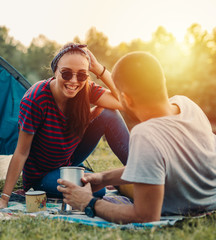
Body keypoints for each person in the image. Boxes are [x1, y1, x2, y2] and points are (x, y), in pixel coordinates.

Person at [57, 52, 216, 223]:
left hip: (187, 211)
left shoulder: (145, 134)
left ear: (125, 99)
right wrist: (104, 178)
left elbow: (146, 215)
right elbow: (161, 165)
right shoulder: (187, 105)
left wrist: (88, 203)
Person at [0, 43, 129, 209]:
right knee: (97, 190)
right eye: (66, 73)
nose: (73, 81)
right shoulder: (35, 100)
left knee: (109, 113)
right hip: (42, 176)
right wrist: (4, 198)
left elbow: (123, 102)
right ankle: (101, 177)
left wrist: (99, 69)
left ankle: (140, 170)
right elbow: (21, 152)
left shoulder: (84, 88)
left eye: (81, 75)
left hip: (69, 158)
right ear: (55, 71)